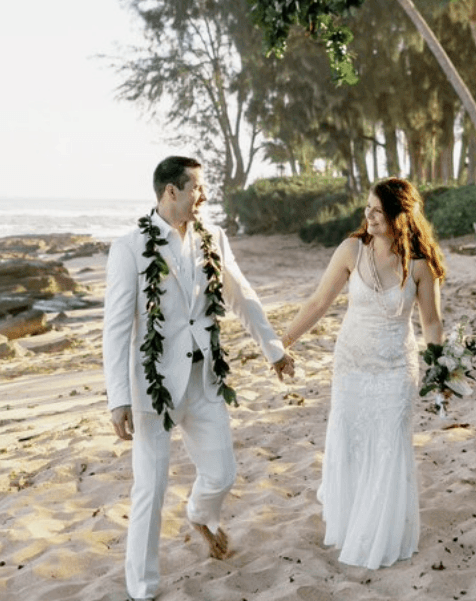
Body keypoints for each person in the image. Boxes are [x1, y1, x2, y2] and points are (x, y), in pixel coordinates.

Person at [103, 156, 295, 601]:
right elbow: (114, 329)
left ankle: (198, 513)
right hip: (153, 388)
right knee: (149, 487)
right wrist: (118, 397)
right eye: (197, 188)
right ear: (172, 192)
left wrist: (274, 350)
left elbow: (242, 296)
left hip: (204, 379)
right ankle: (143, 589)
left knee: (223, 473)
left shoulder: (214, 238)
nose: (204, 196)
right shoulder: (129, 247)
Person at [282, 177, 444, 570]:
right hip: (352, 364)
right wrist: (281, 342)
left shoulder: (421, 265)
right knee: (351, 442)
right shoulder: (352, 250)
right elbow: (320, 302)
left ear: (399, 216)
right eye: (367, 208)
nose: (367, 216)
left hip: (395, 369)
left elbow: (432, 323)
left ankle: (382, 532)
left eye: (376, 210)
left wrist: (441, 371)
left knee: (389, 445)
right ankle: (353, 521)